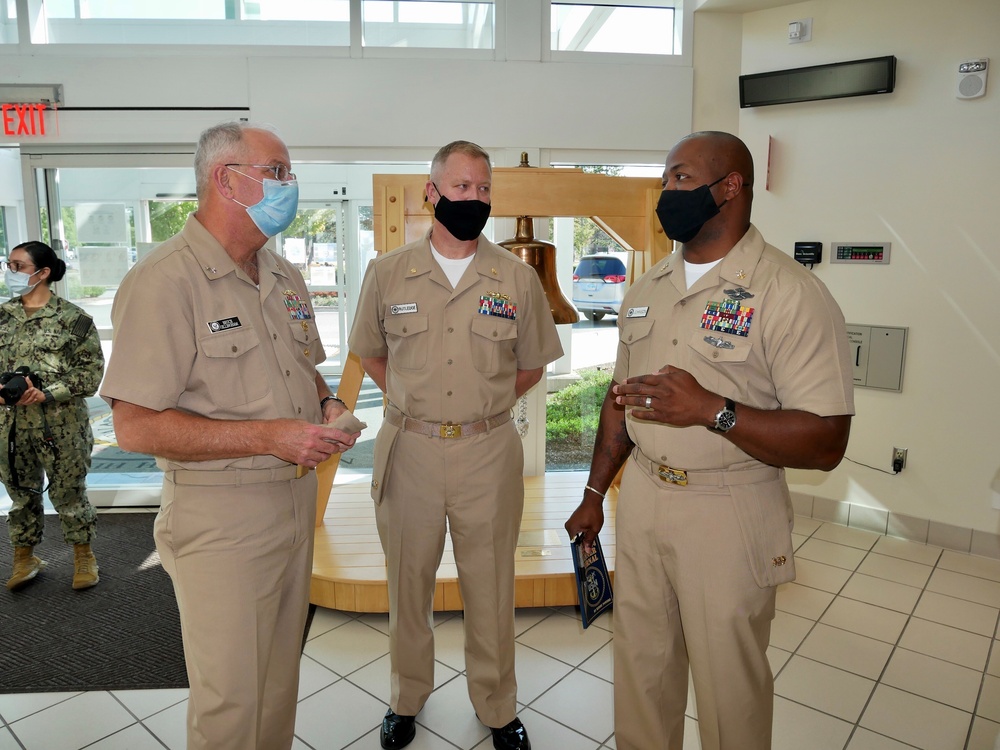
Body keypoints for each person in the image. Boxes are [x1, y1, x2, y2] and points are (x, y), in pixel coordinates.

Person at [565, 131, 855, 750]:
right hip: (642, 503)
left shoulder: (788, 293)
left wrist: (711, 410)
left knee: (730, 690)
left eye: (682, 178)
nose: (668, 191)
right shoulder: (646, 288)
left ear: (731, 188)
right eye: (666, 179)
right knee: (641, 673)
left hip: (729, 509)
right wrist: (595, 494)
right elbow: (620, 401)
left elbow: (826, 440)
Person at [100, 121, 362, 750]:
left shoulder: (282, 273)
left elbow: (306, 370)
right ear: (227, 179)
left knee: (276, 686)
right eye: (277, 172)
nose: (289, 185)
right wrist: (269, 435)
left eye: (288, 173)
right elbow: (134, 426)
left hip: (294, 505)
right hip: (222, 518)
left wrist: (326, 407)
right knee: (231, 703)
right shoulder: (165, 280)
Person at [349, 140, 563, 750]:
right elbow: (372, 354)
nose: (475, 199)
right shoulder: (387, 273)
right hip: (410, 450)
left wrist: (481, 404)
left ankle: (497, 707)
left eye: (484, 189)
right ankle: (406, 698)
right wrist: (416, 403)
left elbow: (531, 366)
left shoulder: (517, 278)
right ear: (432, 192)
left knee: (491, 587)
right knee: (407, 586)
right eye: (462, 187)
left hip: (486, 452)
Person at [1, 240, 104, 592]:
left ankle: (83, 557)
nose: (10, 271)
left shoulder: (74, 319)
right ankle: (24, 557)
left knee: (69, 493)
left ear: (43, 273)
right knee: (20, 494)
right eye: (9, 264)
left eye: (18, 266)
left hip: (61, 426)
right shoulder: (2, 317)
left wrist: (46, 392)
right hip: (11, 427)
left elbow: (90, 375)